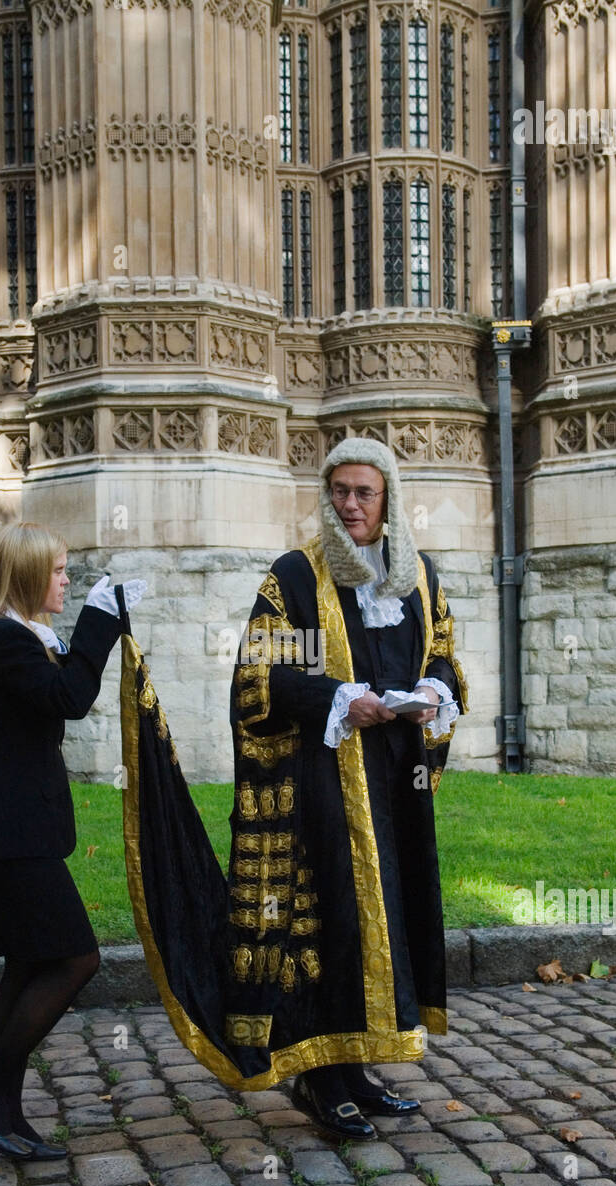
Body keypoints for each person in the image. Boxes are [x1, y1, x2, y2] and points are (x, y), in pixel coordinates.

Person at [118, 438, 468, 1143]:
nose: (349, 505)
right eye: (338, 491)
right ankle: (319, 1077)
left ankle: (358, 1066)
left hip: (393, 785)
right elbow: (258, 679)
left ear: (388, 498)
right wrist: (342, 698)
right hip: (319, 785)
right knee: (330, 923)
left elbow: (442, 656)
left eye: (363, 492)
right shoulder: (295, 577)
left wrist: (433, 691)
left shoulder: (417, 577)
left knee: (385, 919)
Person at [0, 522, 142, 1161]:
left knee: (28, 964)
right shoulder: (3, 638)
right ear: (30, 575)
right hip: (8, 839)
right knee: (75, 958)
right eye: (58, 572)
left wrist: (93, 625)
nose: (67, 581)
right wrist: (99, 622)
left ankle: (0, 1108)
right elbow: (70, 698)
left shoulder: (16, 636)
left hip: (11, 833)